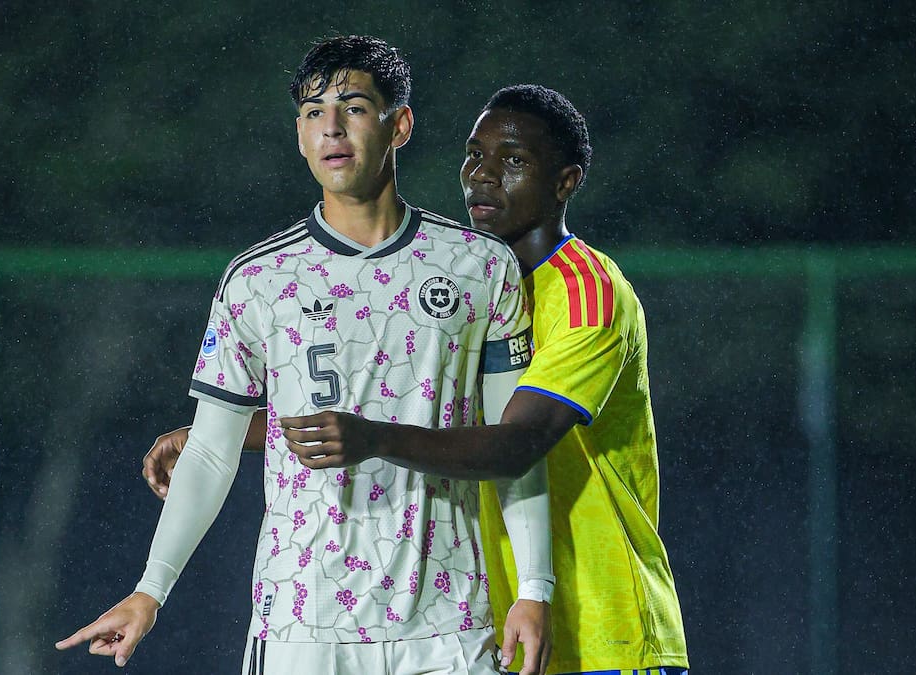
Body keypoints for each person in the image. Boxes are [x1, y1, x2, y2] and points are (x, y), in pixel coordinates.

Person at [145, 84, 690, 675]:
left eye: (512, 161)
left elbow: (513, 444)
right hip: (503, 624)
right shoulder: (476, 283)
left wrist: (372, 439)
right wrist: (230, 435)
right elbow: (432, 411)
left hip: (602, 629)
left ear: (564, 182)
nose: (482, 175)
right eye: (474, 154)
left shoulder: (588, 294)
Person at [58, 36, 556, 675]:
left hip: (448, 625)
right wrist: (150, 591)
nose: (332, 128)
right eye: (314, 112)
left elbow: (512, 443)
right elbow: (211, 449)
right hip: (301, 625)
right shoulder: (258, 279)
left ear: (398, 124)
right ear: (299, 136)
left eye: (353, 108)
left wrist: (534, 589)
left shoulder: (477, 266)